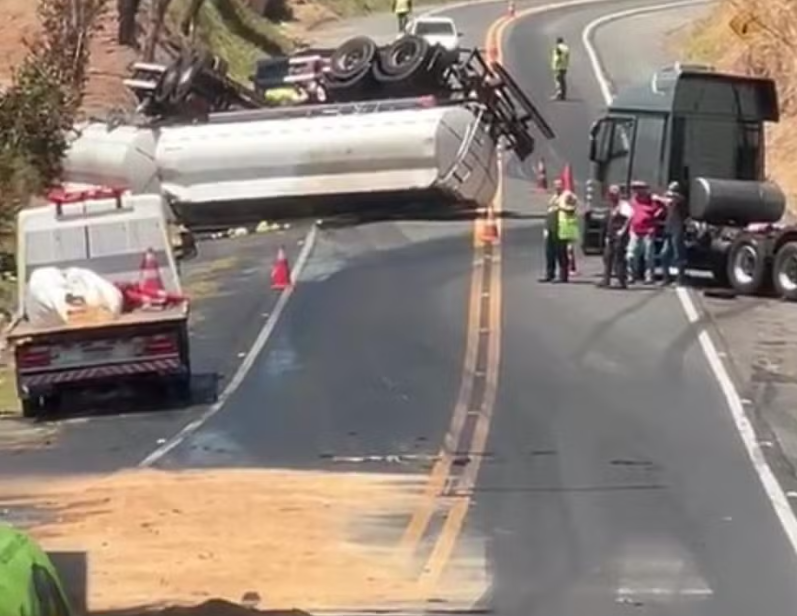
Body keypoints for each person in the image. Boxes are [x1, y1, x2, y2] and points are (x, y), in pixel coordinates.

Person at [625, 180, 662, 285]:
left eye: (639, 188)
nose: (637, 190)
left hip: (648, 231)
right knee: (631, 255)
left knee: (648, 256)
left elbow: (662, 209)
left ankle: (649, 277)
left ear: (645, 189)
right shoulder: (632, 201)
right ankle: (631, 276)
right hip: (634, 231)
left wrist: (656, 216)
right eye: (635, 188)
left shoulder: (652, 201)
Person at [597, 185, 631, 288]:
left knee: (619, 258)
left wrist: (623, 230)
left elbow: (630, 218)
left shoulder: (624, 205)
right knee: (607, 257)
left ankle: (621, 281)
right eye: (610, 195)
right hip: (611, 235)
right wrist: (607, 236)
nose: (611, 197)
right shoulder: (612, 206)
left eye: (613, 195)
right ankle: (606, 280)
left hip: (619, 236)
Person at [658, 181, 688, 286]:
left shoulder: (680, 199)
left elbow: (673, 199)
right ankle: (666, 278)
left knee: (678, 254)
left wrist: (662, 197)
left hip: (677, 228)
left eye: (673, 189)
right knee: (664, 253)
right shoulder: (669, 199)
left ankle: (680, 279)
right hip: (669, 228)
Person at [540, 178, 570, 283]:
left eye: (559, 185)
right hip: (551, 227)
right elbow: (548, 213)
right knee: (549, 253)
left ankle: (563, 276)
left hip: (561, 227)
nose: (557, 187)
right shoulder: (553, 198)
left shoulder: (566, 197)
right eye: (556, 185)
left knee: (561, 253)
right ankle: (550, 274)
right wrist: (546, 228)